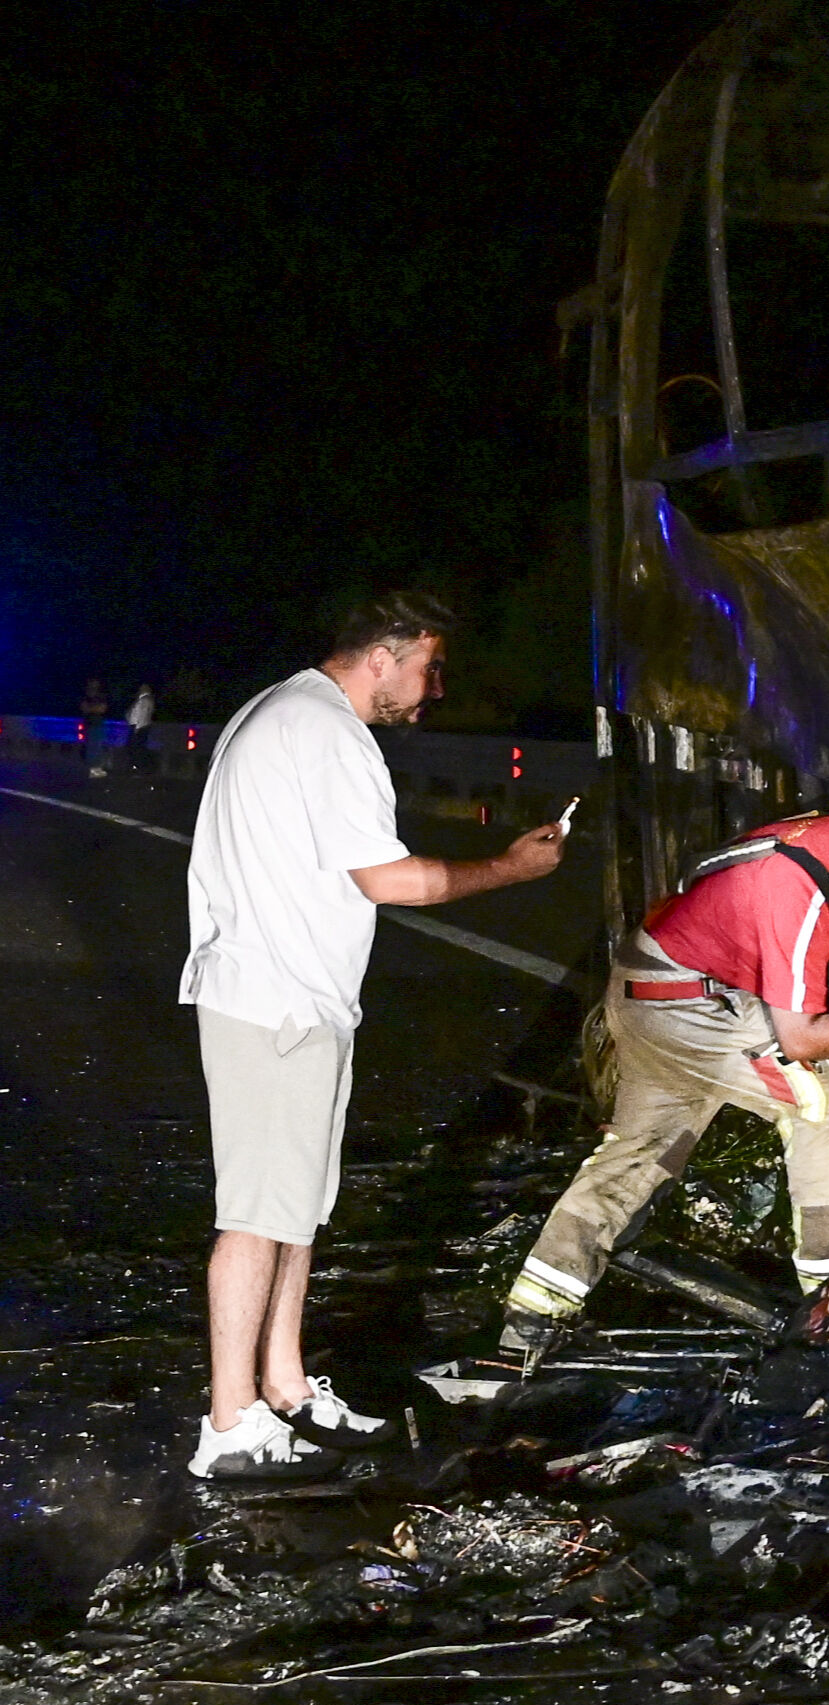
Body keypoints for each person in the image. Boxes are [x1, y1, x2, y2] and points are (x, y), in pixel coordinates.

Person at [181, 592, 567, 1479]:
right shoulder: (327, 732)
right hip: (273, 1001)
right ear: (385, 656)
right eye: (430, 668)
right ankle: (229, 1425)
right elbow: (390, 881)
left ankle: (283, 1384)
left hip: (297, 997)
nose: (433, 691)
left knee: (296, 1209)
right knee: (254, 1215)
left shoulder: (283, 708)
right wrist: (510, 867)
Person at [500, 815, 829, 1355]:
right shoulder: (797, 906)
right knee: (824, 1105)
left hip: (650, 984)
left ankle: (531, 1316)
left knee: (639, 1153)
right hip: (695, 1005)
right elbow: (803, 1040)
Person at [77, 676, 109, 775]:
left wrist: (92, 709)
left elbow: (103, 709)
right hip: (90, 723)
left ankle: (97, 767)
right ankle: (93, 769)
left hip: (98, 723)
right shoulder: (86, 696)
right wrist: (95, 709)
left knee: (98, 745)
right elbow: (84, 708)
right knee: (91, 746)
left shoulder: (101, 696)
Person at [123, 682, 157, 773]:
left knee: (135, 747)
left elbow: (141, 715)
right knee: (138, 747)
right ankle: (137, 766)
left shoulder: (144, 700)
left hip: (138, 726)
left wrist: (137, 728)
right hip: (141, 726)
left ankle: (137, 766)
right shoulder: (145, 699)